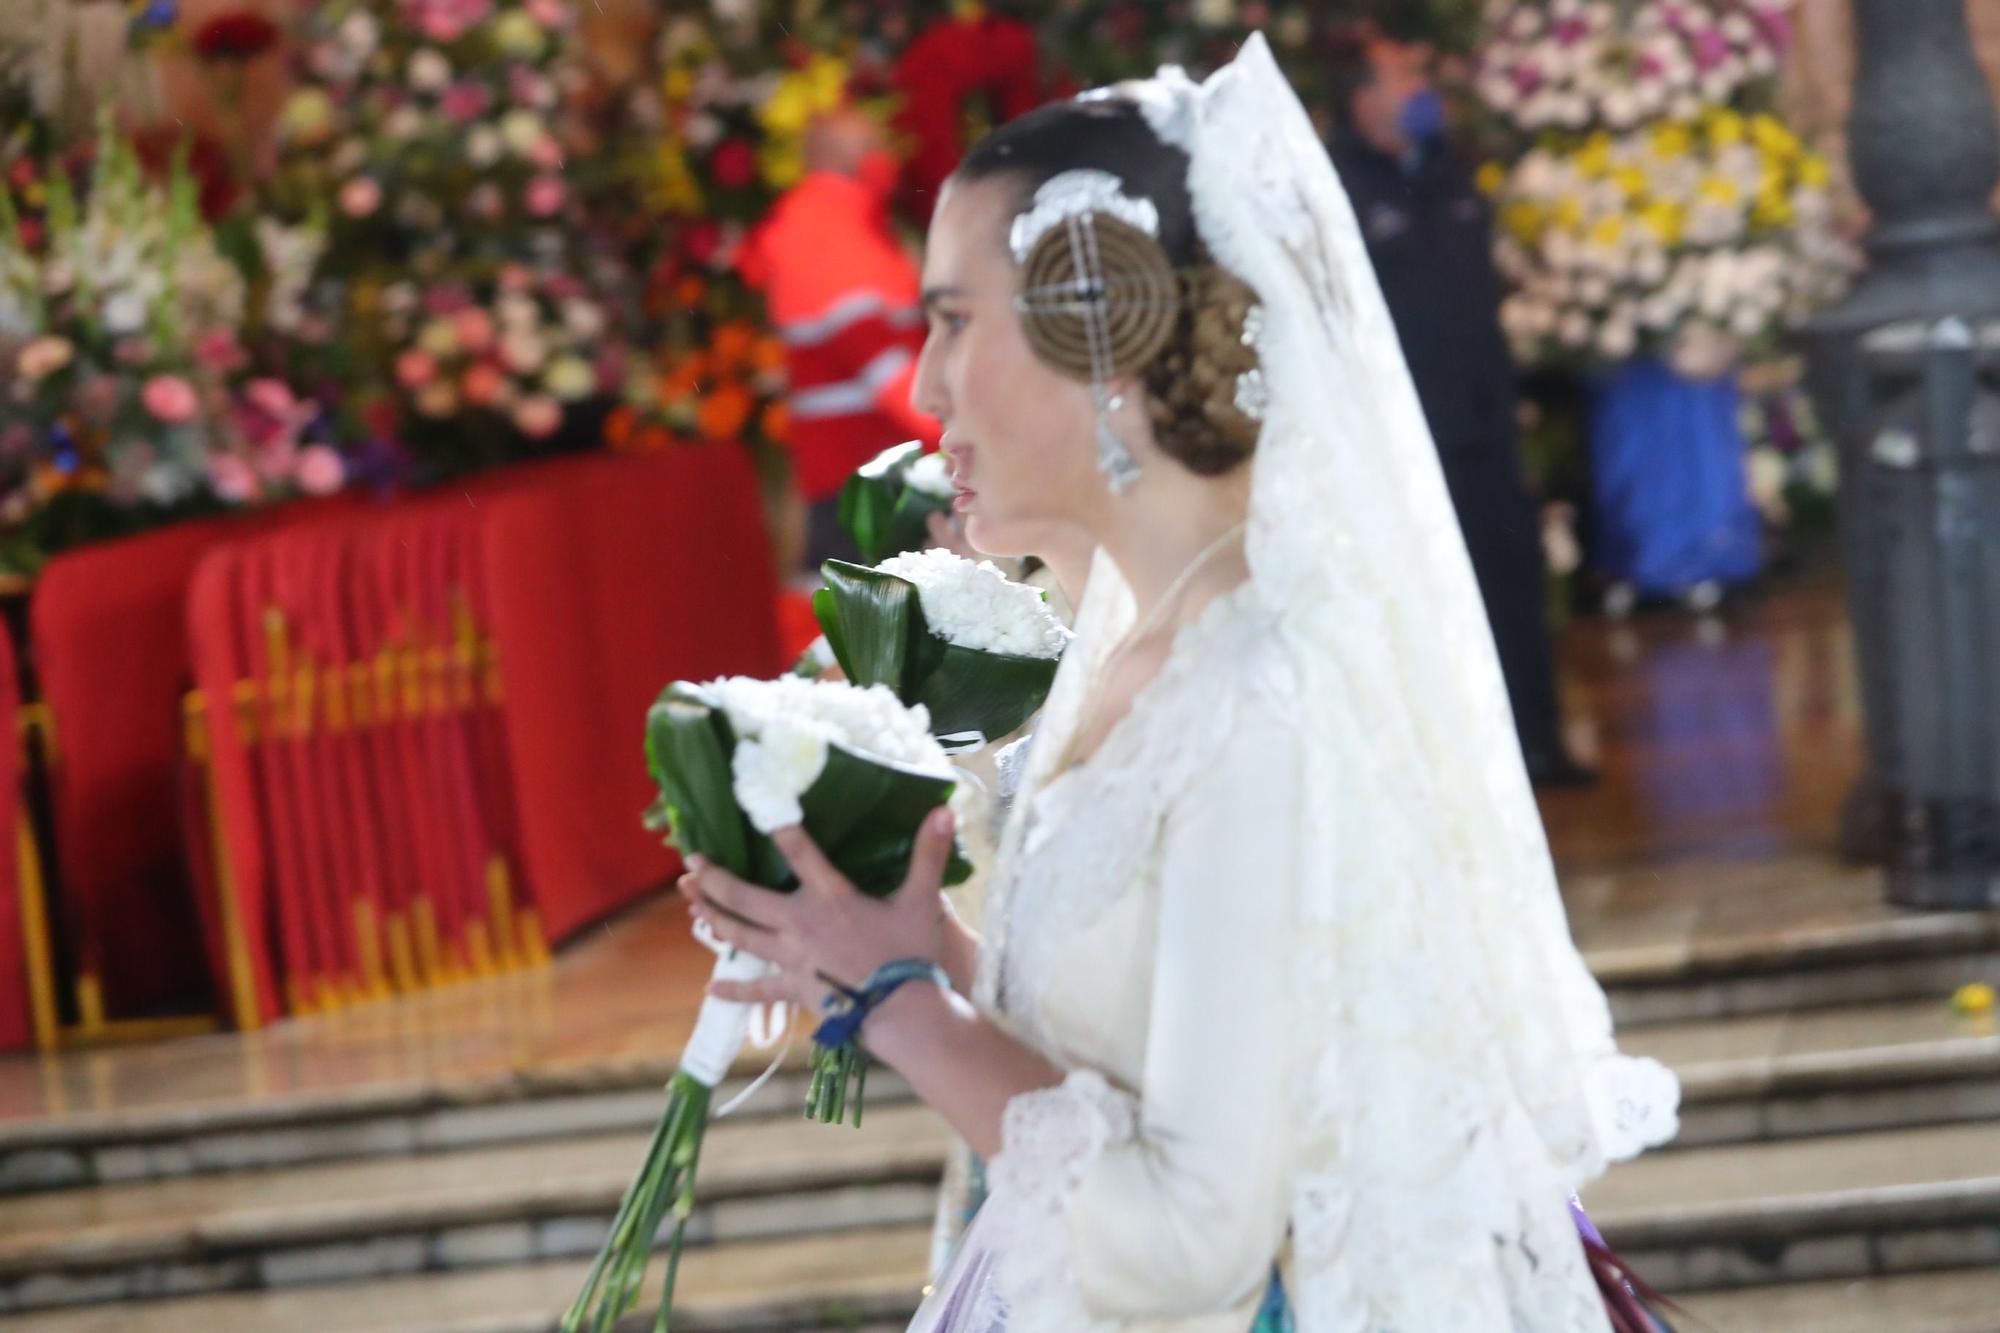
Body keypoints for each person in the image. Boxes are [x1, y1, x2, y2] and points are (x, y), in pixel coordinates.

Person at [684, 37, 1677, 1330]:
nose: (923, 387)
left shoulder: (1257, 693)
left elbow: (1191, 1243)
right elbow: (1134, 1049)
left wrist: (896, 1006)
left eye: (953, 321)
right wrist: (911, 940)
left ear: (1101, 329)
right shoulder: (1134, 640)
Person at [1327, 32, 1597, 788]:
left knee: (1515, 584)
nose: (1424, 90)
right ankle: (1467, 771)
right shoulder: (1341, 188)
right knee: (1437, 607)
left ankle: (1539, 742)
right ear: (1364, 96)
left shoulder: (1449, 174)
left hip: (1485, 426)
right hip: (1408, 443)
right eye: (1406, 75)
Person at [739, 106, 941, 571]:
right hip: (864, 469)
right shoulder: (829, 230)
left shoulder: (840, 225)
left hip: (866, 464)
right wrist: (946, 427)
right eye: (872, 147)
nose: (886, 159)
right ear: (839, 157)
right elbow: (871, 352)